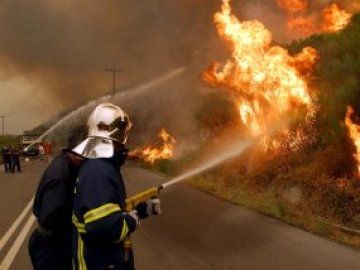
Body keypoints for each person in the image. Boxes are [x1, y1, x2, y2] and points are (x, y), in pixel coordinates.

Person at [72, 102, 161, 270]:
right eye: (123, 134)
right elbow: (105, 227)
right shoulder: (99, 172)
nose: (124, 144)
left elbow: (109, 210)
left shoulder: (98, 165)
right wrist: (133, 219)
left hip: (104, 260)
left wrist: (141, 210)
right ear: (118, 135)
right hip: (99, 263)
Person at [28, 125, 88, 270]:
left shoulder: (67, 162)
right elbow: (51, 218)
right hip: (50, 248)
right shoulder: (62, 175)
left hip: (54, 244)